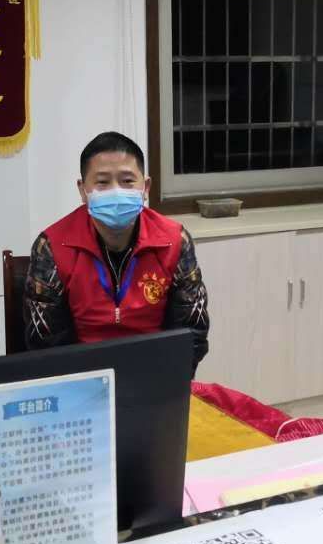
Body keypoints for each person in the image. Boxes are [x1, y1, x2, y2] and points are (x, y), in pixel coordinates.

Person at [24, 132, 209, 367]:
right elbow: (46, 345)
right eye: (102, 182)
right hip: (84, 375)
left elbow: (192, 335)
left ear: (146, 187)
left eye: (127, 181)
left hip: (155, 371)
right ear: (83, 190)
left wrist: (163, 379)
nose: (116, 191)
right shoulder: (52, 246)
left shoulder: (174, 241)